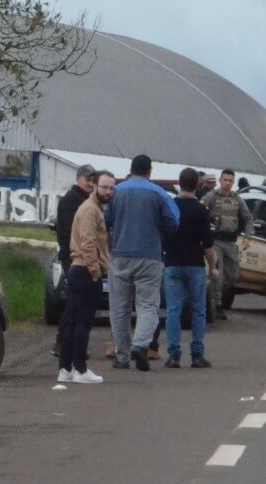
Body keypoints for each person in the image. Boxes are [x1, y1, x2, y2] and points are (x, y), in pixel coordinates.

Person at [105, 154, 178, 371]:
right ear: (150, 171)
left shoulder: (117, 191)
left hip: (119, 256)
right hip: (149, 257)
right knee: (147, 305)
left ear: (131, 169)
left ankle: (122, 356)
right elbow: (173, 221)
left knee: (119, 308)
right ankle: (141, 344)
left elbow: (106, 221)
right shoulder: (158, 193)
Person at [60, 170, 115, 384]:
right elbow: (88, 243)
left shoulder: (94, 208)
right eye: (105, 187)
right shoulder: (90, 210)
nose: (108, 192)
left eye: (112, 188)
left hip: (80, 269)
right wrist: (95, 272)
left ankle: (65, 369)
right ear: (94, 186)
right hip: (84, 271)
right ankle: (80, 370)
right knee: (82, 322)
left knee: (72, 322)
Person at [162, 168, 216, 369]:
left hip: (172, 263)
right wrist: (212, 267)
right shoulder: (201, 210)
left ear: (179, 183)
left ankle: (174, 354)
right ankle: (197, 354)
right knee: (198, 311)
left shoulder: (170, 207)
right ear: (198, 185)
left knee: (173, 310)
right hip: (195, 265)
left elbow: (164, 234)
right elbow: (208, 244)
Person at [52, 164, 97, 359]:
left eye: (92, 180)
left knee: (78, 302)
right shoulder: (72, 201)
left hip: (79, 257)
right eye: (87, 179)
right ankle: (63, 343)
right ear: (78, 178)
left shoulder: (85, 200)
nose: (90, 183)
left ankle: (69, 343)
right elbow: (74, 234)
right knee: (75, 302)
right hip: (74, 258)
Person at [201, 168, 247, 323]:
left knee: (233, 274)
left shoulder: (237, 199)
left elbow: (247, 217)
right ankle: (218, 303)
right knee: (218, 271)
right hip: (216, 241)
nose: (227, 183)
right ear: (220, 181)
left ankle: (216, 294)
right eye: (225, 180)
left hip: (231, 241)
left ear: (233, 182)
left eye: (230, 180)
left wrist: (248, 236)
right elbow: (200, 208)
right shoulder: (212, 196)